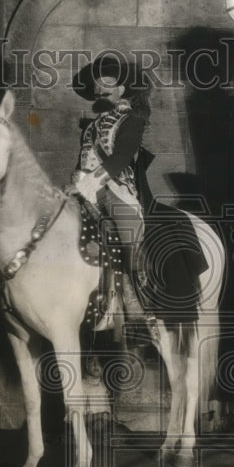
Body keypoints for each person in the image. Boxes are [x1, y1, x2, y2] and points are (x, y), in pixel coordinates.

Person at [70, 54, 152, 320]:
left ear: (121, 89)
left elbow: (120, 159)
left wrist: (91, 183)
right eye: (97, 83)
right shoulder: (91, 126)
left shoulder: (131, 120)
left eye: (107, 82)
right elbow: (82, 160)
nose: (100, 88)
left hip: (115, 189)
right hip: (84, 189)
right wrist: (76, 180)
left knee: (130, 237)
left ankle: (140, 302)